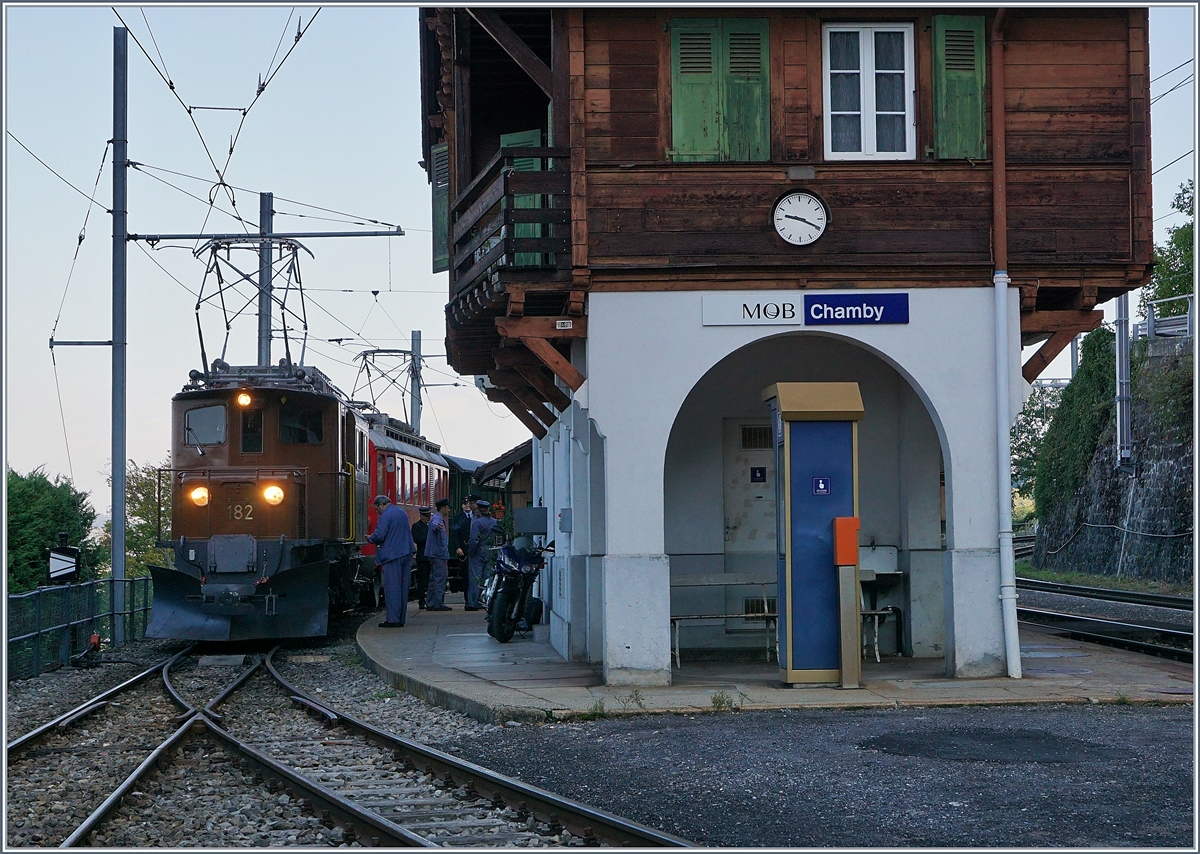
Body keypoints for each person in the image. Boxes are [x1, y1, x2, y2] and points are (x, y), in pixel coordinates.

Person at [367, 495, 416, 628]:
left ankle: (393, 619)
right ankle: (401, 619)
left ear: (381, 505)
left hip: (392, 555)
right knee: (403, 588)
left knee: (392, 588)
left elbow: (380, 535)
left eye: (377, 509)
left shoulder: (386, 516)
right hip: (407, 553)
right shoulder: (402, 513)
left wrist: (370, 538)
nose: (377, 512)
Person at [465, 499, 497, 611]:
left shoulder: (477, 523)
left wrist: (471, 551)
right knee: (487, 577)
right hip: (490, 551)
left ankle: (473, 602)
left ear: (479, 509)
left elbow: (474, 539)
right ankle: (485, 600)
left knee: (475, 577)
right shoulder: (494, 522)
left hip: (478, 552)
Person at [424, 498, 452, 611]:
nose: (448, 510)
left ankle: (430, 603)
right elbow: (434, 525)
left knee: (433, 579)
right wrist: (437, 527)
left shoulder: (437, 519)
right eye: (447, 508)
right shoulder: (437, 519)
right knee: (440, 579)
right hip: (438, 554)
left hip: (435, 553)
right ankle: (438, 603)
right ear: (443, 508)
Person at [449, 494, 477, 594]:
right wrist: (457, 547)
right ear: (462, 505)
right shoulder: (458, 518)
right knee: (465, 574)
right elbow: (454, 533)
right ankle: (467, 596)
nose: (467, 505)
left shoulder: (476, 516)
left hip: (475, 549)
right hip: (463, 549)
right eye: (465, 503)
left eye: (469, 503)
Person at [411, 507, 432, 610]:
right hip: (422, 557)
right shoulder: (416, 526)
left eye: (429, 516)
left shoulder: (430, 526)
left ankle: (429, 600)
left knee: (430, 580)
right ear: (421, 516)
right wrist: (429, 537)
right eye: (426, 516)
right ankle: (421, 602)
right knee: (422, 581)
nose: (428, 518)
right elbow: (417, 539)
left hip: (430, 557)